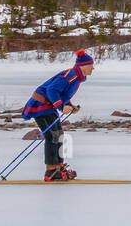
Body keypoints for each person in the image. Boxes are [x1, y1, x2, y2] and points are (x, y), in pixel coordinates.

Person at [21, 50, 93, 182]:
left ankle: (59, 167)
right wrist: (61, 106)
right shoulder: (70, 76)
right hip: (40, 106)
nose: (93, 68)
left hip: (49, 107)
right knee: (52, 136)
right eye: (91, 65)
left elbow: (63, 95)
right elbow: (52, 90)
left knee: (59, 135)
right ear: (83, 65)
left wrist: (70, 106)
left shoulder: (75, 78)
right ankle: (51, 170)